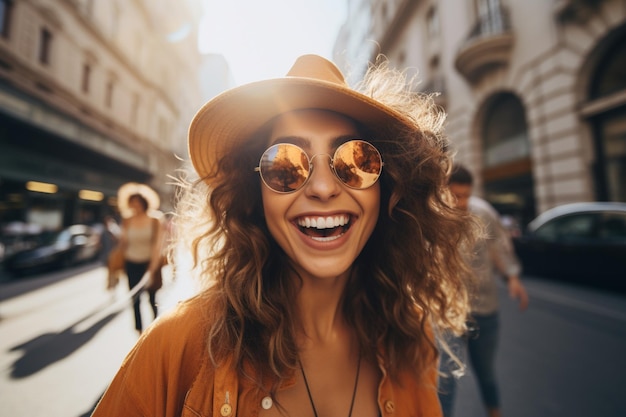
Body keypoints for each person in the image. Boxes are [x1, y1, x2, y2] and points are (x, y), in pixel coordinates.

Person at [91, 54, 477, 417]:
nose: (323, 188)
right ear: (254, 194)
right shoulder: (180, 343)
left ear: (387, 187)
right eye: (284, 164)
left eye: (357, 160)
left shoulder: (410, 337)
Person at [438, 164, 529, 417]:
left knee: (486, 373)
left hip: (484, 309)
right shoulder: (434, 218)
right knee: (444, 380)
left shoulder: (483, 213)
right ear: (443, 191)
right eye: (455, 196)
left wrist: (512, 277)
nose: (462, 202)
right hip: (447, 313)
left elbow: (499, 247)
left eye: (466, 195)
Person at [117, 182, 164, 334]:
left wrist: (151, 269)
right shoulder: (127, 220)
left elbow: (157, 247)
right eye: (132, 203)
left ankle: (155, 329)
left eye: (138, 203)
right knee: (134, 300)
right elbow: (123, 245)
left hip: (149, 264)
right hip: (131, 263)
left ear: (145, 203)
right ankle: (139, 331)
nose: (135, 206)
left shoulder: (155, 220)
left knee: (152, 299)